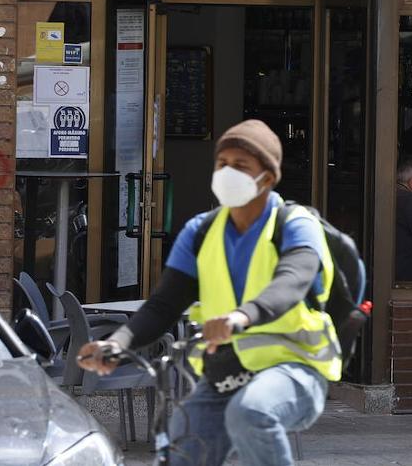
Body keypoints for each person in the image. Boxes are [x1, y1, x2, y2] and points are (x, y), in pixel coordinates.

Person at [76, 120, 338, 466]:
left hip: (293, 369)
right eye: (222, 163)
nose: (228, 172)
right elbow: (164, 305)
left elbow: (292, 280)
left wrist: (241, 316)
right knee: (182, 449)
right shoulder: (200, 232)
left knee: (251, 412)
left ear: (268, 177)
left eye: (241, 165)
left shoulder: (295, 223)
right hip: (224, 373)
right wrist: (117, 343)